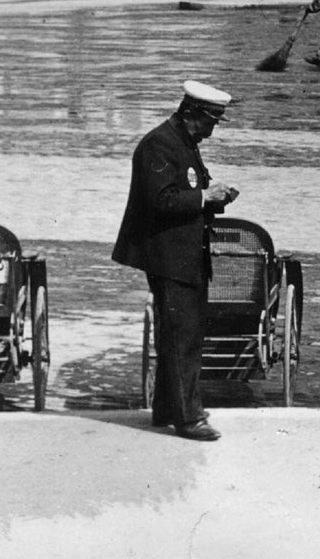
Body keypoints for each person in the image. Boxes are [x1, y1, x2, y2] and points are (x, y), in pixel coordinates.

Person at [112, 80, 238, 442]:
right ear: (193, 115)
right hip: (169, 257)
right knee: (182, 336)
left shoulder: (182, 141)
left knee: (180, 332)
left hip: (184, 253)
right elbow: (160, 201)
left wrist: (211, 199)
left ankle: (168, 407)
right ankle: (189, 418)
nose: (213, 131)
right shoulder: (158, 145)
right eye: (212, 122)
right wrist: (203, 196)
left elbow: (180, 193)